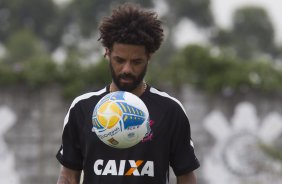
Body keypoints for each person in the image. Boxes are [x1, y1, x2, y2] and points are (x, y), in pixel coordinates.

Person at [56, 3, 200, 184]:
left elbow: (186, 177)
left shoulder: (170, 110)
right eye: (120, 60)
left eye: (136, 62)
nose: (127, 69)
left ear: (149, 57)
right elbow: (68, 176)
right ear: (107, 53)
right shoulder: (82, 108)